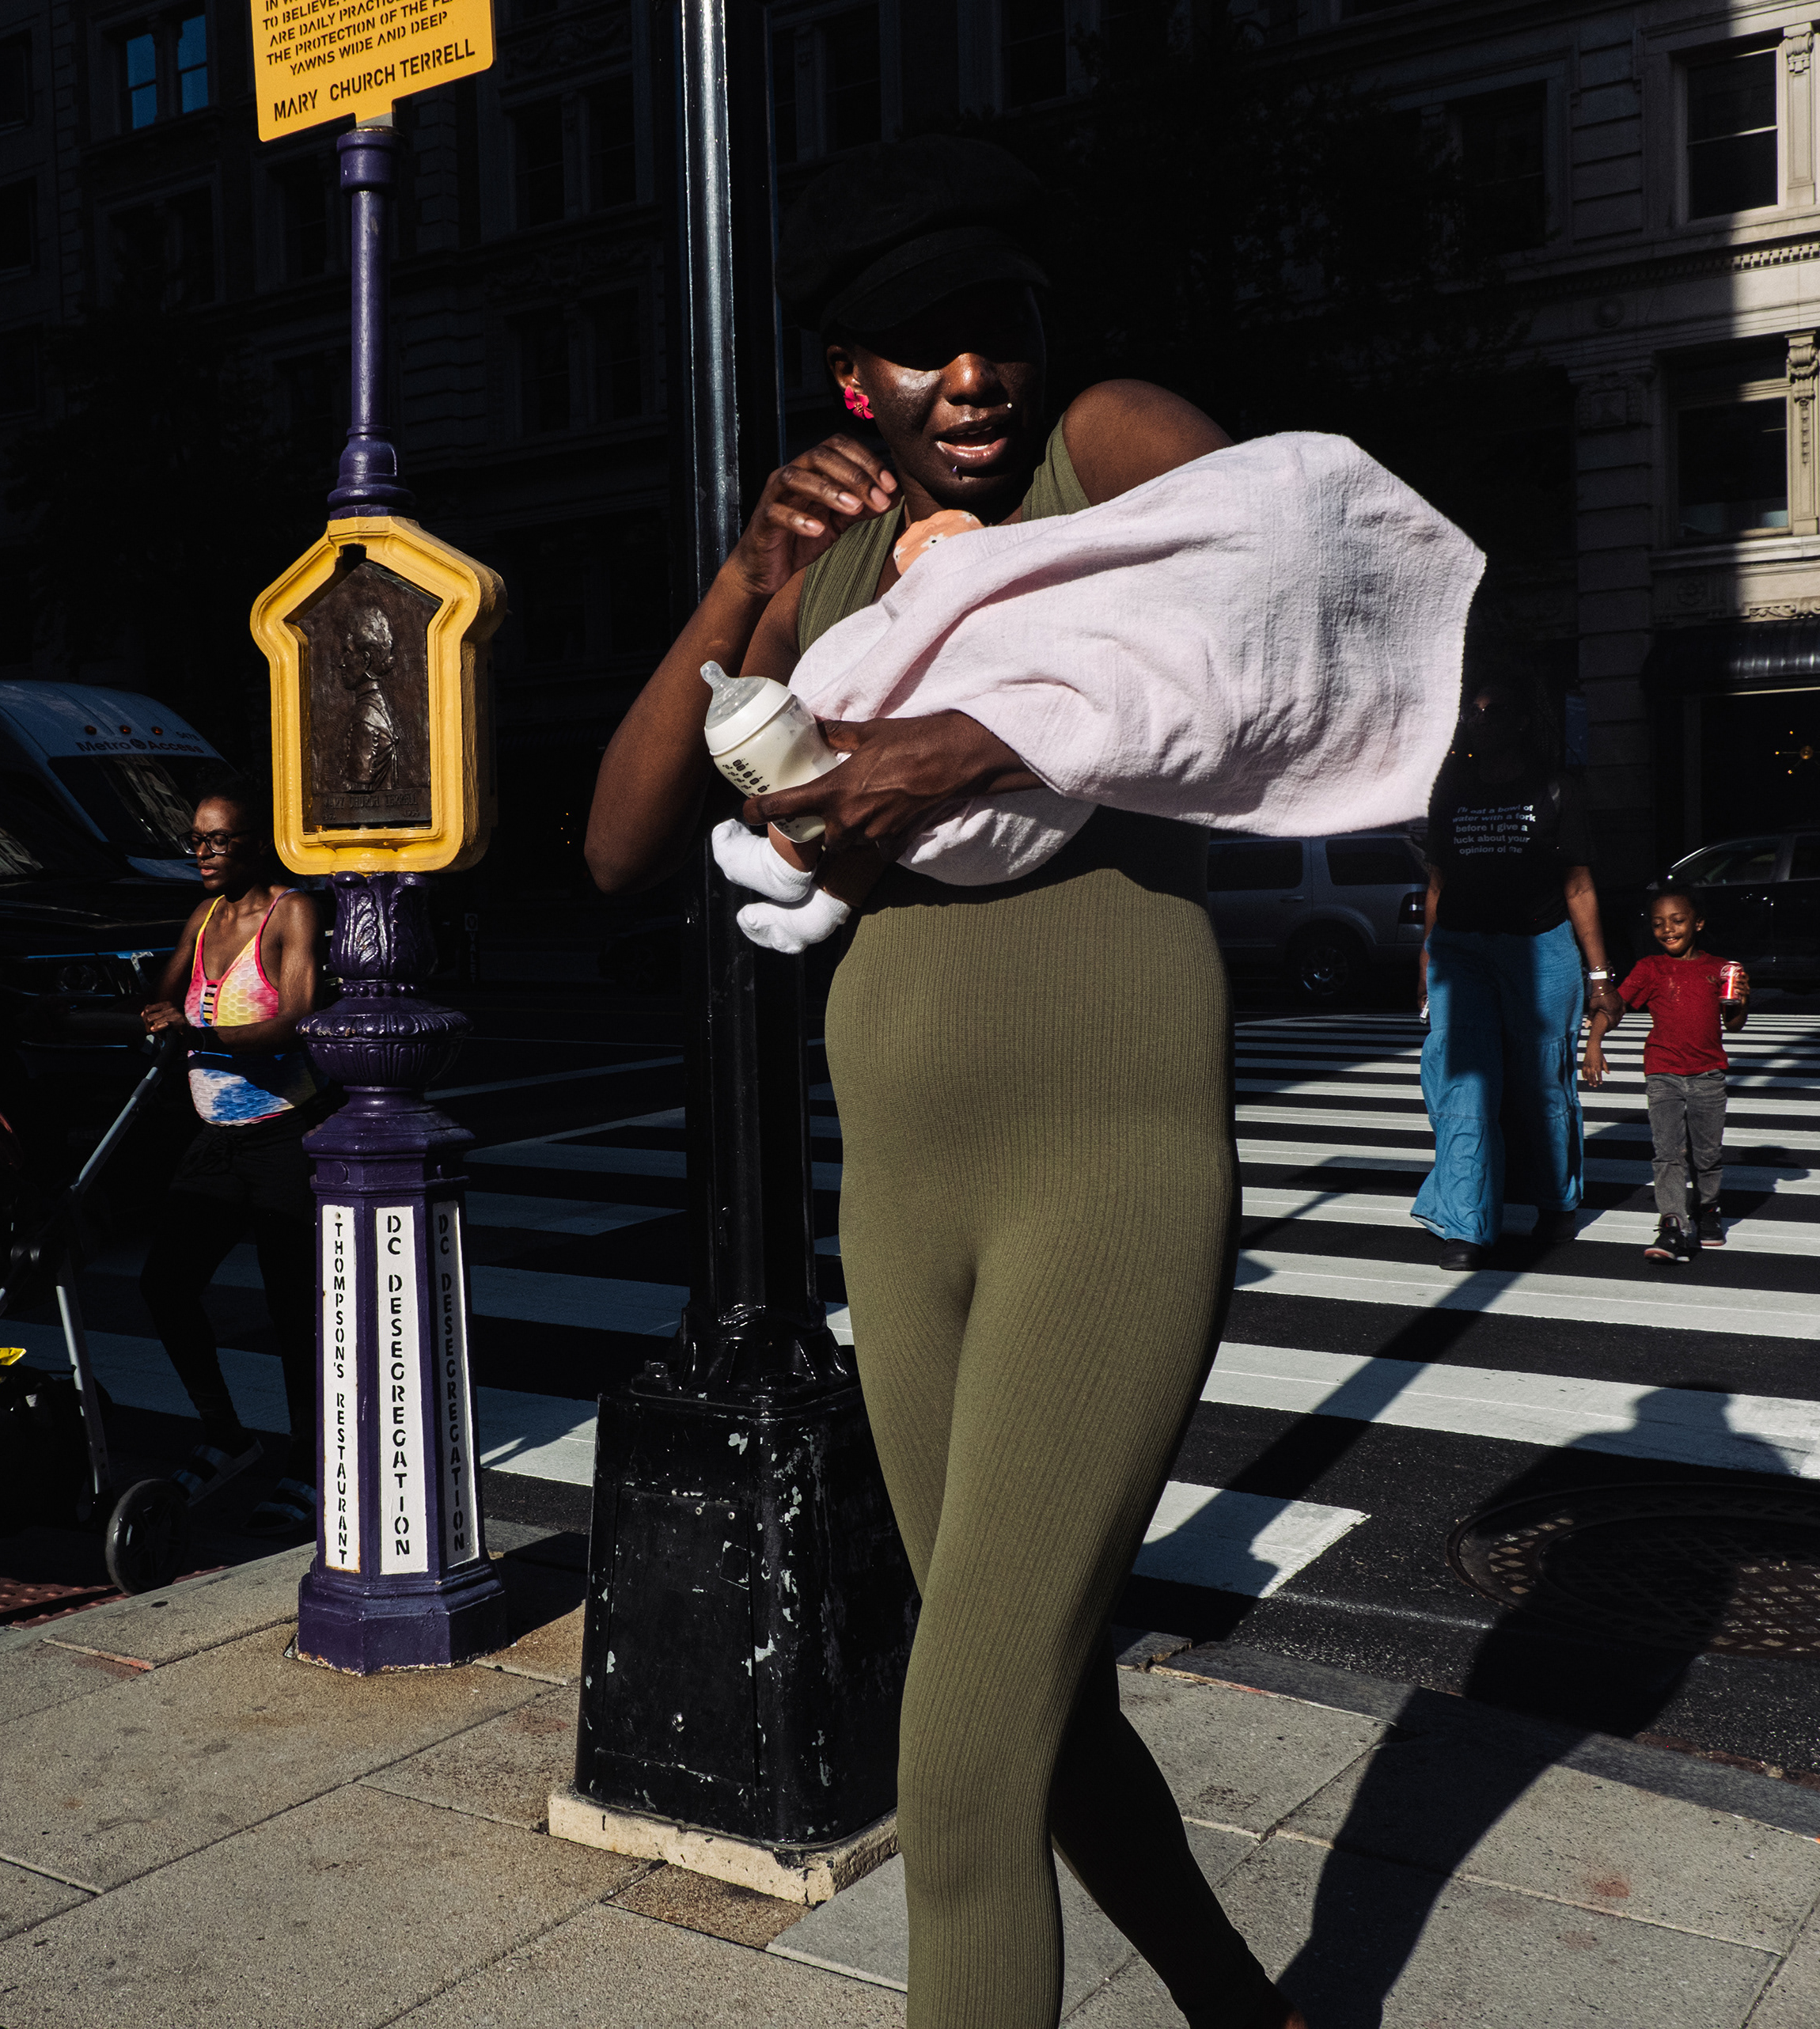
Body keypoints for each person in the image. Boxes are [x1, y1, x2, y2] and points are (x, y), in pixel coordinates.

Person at [585, 135, 1307, 2029]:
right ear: (852, 374)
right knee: (1035, 1706)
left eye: (991, 326)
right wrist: (746, 573)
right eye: (918, 342)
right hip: (899, 1184)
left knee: (959, 1746)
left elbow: (1308, 619)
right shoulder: (808, 547)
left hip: (1112, 1147)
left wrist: (957, 742)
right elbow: (613, 839)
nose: (968, 374)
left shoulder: (1110, 442)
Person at [134, 784, 328, 1521]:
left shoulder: (292, 911)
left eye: (218, 840)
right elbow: (163, 997)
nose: (204, 854)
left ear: (255, 842)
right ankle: (224, 1436)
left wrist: (201, 1038)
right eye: (196, 840)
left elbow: (301, 1020)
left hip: (285, 1135)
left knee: (292, 1313)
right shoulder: (205, 916)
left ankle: (310, 1469)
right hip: (217, 1138)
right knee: (165, 1285)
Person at [1412, 666, 1617, 1270]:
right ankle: (1467, 1221)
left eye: (1492, 709)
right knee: (1465, 1083)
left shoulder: (1556, 789)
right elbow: (1438, 882)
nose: (1479, 719)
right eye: (1472, 710)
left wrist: (1600, 976)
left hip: (1541, 947)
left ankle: (1554, 1200)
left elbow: (1578, 885)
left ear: (1523, 722)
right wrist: (1427, 953)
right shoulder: (1449, 788)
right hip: (1463, 951)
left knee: (1541, 1083)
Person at [1583, 880, 1746, 1264]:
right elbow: (1615, 1006)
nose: (1668, 930)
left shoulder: (1719, 968)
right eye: (1659, 923)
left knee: (1707, 1153)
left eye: (1677, 921)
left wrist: (1740, 1000)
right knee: (1668, 1153)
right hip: (1663, 1073)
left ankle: (1708, 1207)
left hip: (1708, 1074)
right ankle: (1672, 1222)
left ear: (1698, 923)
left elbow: (1734, 1023)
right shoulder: (1650, 968)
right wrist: (1594, 1043)